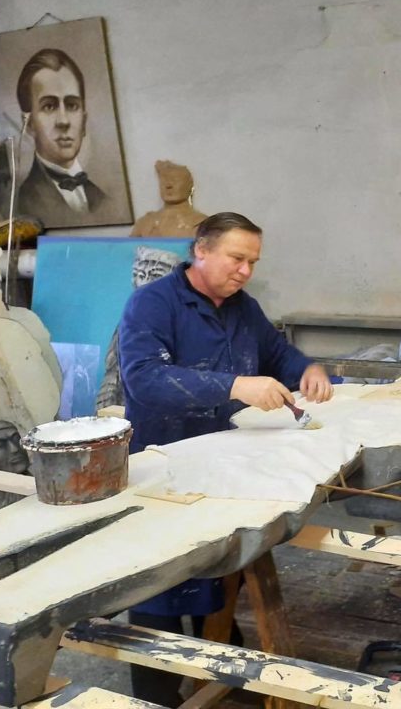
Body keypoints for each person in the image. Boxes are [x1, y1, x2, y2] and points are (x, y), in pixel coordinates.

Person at [118, 211, 333, 706]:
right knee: (159, 585)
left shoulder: (242, 307)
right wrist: (234, 385)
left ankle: (220, 664)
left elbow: (277, 354)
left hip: (226, 463)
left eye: (253, 262)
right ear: (201, 250)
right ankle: (156, 693)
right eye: (237, 258)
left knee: (219, 565)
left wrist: (309, 369)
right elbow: (145, 379)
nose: (245, 271)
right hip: (164, 465)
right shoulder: (152, 305)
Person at [15, 48, 117, 228]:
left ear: (84, 121)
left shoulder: (103, 200)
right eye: (49, 106)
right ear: (29, 124)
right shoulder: (22, 205)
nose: (64, 121)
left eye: (72, 105)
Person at [95, 246, 182, 411]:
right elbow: (113, 372)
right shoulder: (131, 319)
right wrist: (105, 405)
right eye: (141, 275)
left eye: (155, 276)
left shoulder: (184, 322)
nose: (144, 283)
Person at [130, 160, 208, 238]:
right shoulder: (145, 223)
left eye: (175, 180)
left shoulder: (202, 223)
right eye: (164, 181)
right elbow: (130, 245)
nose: (168, 185)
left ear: (190, 186)